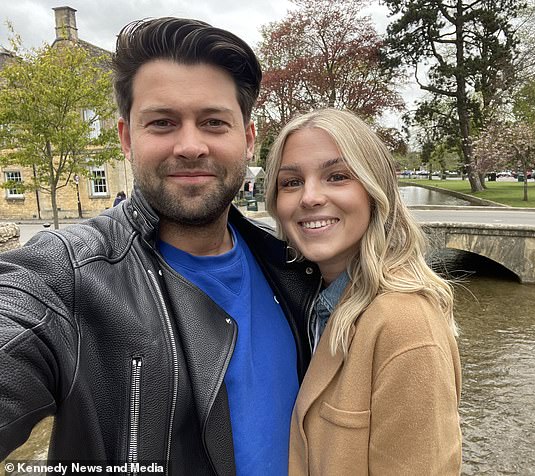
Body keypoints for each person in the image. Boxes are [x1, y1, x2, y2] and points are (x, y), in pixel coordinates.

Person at [0, 17, 321, 474]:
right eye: (162, 122)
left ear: (248, 140)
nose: (190, 146)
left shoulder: (294, 267)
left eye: (213, 122)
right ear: (126, 137)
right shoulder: (70, 277)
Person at [265, 108, 462, 475]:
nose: (309, 197)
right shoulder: (311, 304)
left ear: (375, 191)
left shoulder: (404, 325)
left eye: (337, 176)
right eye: (290, 182)